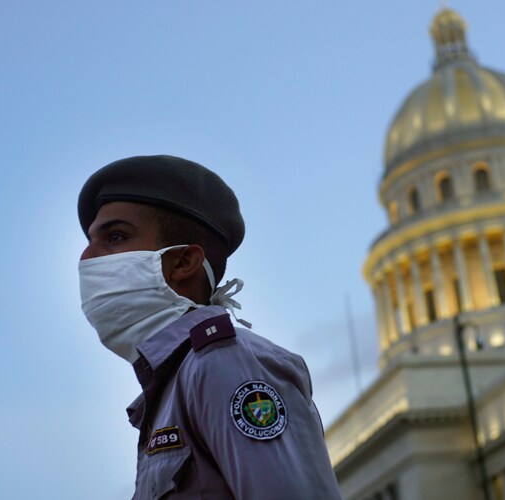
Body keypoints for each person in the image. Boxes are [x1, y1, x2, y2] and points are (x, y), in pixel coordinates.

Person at [77, 155, 342, 499]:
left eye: (115, 236)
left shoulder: (222, 364)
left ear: (184, 261)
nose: (87, 258)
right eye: (89, 240)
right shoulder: (171, 386)